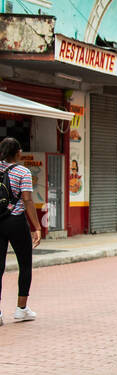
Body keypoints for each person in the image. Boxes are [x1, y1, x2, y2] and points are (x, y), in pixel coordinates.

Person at [0, 137, 41, 324]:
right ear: (18, 152)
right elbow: (27, 200)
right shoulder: (22, 171)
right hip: (16, 221)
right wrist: (37, 227)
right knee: (24, 264)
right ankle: (21, 309)